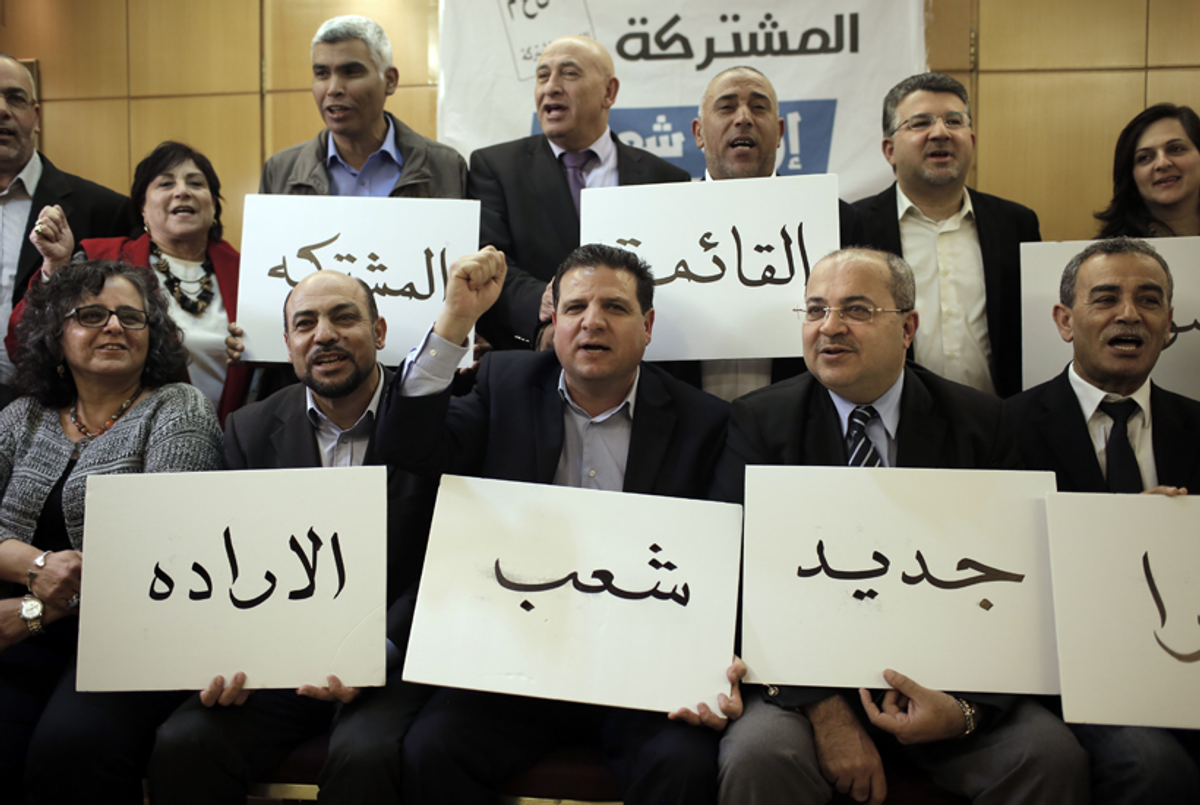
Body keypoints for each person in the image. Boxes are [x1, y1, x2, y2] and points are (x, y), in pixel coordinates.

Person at [712, 247, 1087, 805]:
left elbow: (1017, 586)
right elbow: (738, 581)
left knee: (1050, 757)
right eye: (814, 310)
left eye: (856, 310)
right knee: (758, 756)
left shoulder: (982, 423)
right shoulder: (760, 422)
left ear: (908, 327)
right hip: (806, 684)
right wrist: (828, 715)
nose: (829, 328)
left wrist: (963, 710)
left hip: (949, 677)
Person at [376, 243, 735, 805]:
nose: (592, 321)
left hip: (640, 671)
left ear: (647, 326)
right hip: (515, 660)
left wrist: (713, 664)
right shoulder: (504, 383)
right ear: (553, 321)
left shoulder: (703, 420)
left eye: (614, 308)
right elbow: (411, 448)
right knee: (432, 750)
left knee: (682, 767)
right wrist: (455, 321)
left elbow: (717, 561)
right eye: (575, 308)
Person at [151, 270, 437, 805]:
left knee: (367, 756)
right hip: (278, 660)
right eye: (305, 324)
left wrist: (380, 650)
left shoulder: (433, 422)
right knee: (184, 741)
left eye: (343, 317)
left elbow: (444, 564)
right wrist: (226, 652)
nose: (323, 334)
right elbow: (227, 562)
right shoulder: (249, 427)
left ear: (379, 331)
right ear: (287, 346)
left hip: (392, 656)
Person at [0, 259, 222, 804]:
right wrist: (35, 570)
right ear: (56, 334)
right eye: (92, 315)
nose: (115, 327)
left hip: (135, 638)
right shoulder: (21, 416)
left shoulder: (179, 409)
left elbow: (161, 552)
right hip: (18, 628)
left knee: (71, 748)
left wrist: (37, 608)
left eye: (131, 317)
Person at [1005, 236, 1200, 804]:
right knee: (1154, 766)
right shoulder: (1003, 427)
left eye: (1149, 300)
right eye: (1107, 298)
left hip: (1184, 658)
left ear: (1169, 323)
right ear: (1065, 321)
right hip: (1069, 671)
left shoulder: (1196, 426)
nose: (1129, 315)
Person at [468, 36, 691, 351]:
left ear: (608, 92)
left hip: (643, 358)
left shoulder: (665, 179)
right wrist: (545, 301)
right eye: (543, 76)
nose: (551, 87)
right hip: (534, 357)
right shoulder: (495, 167)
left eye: (569, 74)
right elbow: (488, 260)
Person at [17, 141, 248, 421]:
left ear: (213, 205)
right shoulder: (100, 257)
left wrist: (259, 352)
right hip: (129, 434)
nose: (182, 191)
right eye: (165, 184)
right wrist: (55, 267)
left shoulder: (249, 272)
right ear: (142, 208)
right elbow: (24, 339)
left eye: (196, 183)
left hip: (236, 438)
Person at [854, 73, 1040, 398]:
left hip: (1000, 423)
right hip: (890, 423)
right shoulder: (855, 226)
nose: (940, 133)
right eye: (920, 123)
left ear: (972, 139)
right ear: (889, 150)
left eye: (954, 121)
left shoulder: (1016, 224)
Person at [690, 65, 864, 399]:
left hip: (797, 425)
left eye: (758, 107)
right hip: (687, 430)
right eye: (726, 107)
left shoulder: (839, 219)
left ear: (780, 131)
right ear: (698, 132)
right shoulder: (658, 219)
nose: (743, 118)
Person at [0, 53, 136, 385]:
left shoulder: (104, 210)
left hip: (50, 401)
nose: (2, 110)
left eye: (15, 98)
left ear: (35, 117)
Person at [259, 15, 466, 200]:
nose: (333, 89)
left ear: (390, 80)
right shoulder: (280, 172)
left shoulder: (447, 167)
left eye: (351, 72)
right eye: (322, 74)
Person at [1095, 103, 1200, 238]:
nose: (1162, 163)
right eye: (1144, 157)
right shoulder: (1107, 256)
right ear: (1130, 176)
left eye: (1176, 149)